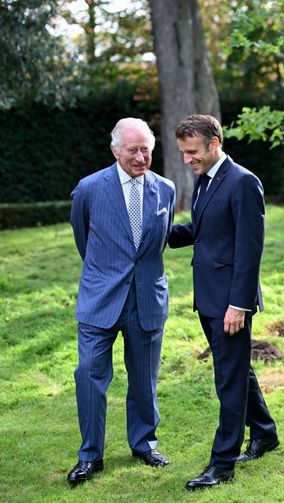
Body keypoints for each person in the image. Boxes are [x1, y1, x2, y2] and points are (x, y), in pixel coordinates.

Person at [169, 114, 278, 491]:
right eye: (183, 152)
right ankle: (264, 433)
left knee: (228, 380)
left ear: (215, 143)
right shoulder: (204, 181)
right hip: (208, 298)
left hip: (231, 303)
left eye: (192, 152)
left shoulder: (244, 183)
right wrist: (159, 234)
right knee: (236, 370)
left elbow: (250, 249)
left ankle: (222, 464)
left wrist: (240, 305)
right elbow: (203, 232)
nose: (187, 160)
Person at [67, 118, 175, 485]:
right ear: (115, 151)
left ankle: (144, 443)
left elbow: (156, 244)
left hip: (147, 298)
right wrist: (106, 274)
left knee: (144, 378)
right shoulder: (89, 189)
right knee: (88, 375)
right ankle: (90, 456)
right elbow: (83, 239)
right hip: (100, 299)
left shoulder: (166, 190)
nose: (141, 157)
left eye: (146, 149)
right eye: (133, 150)